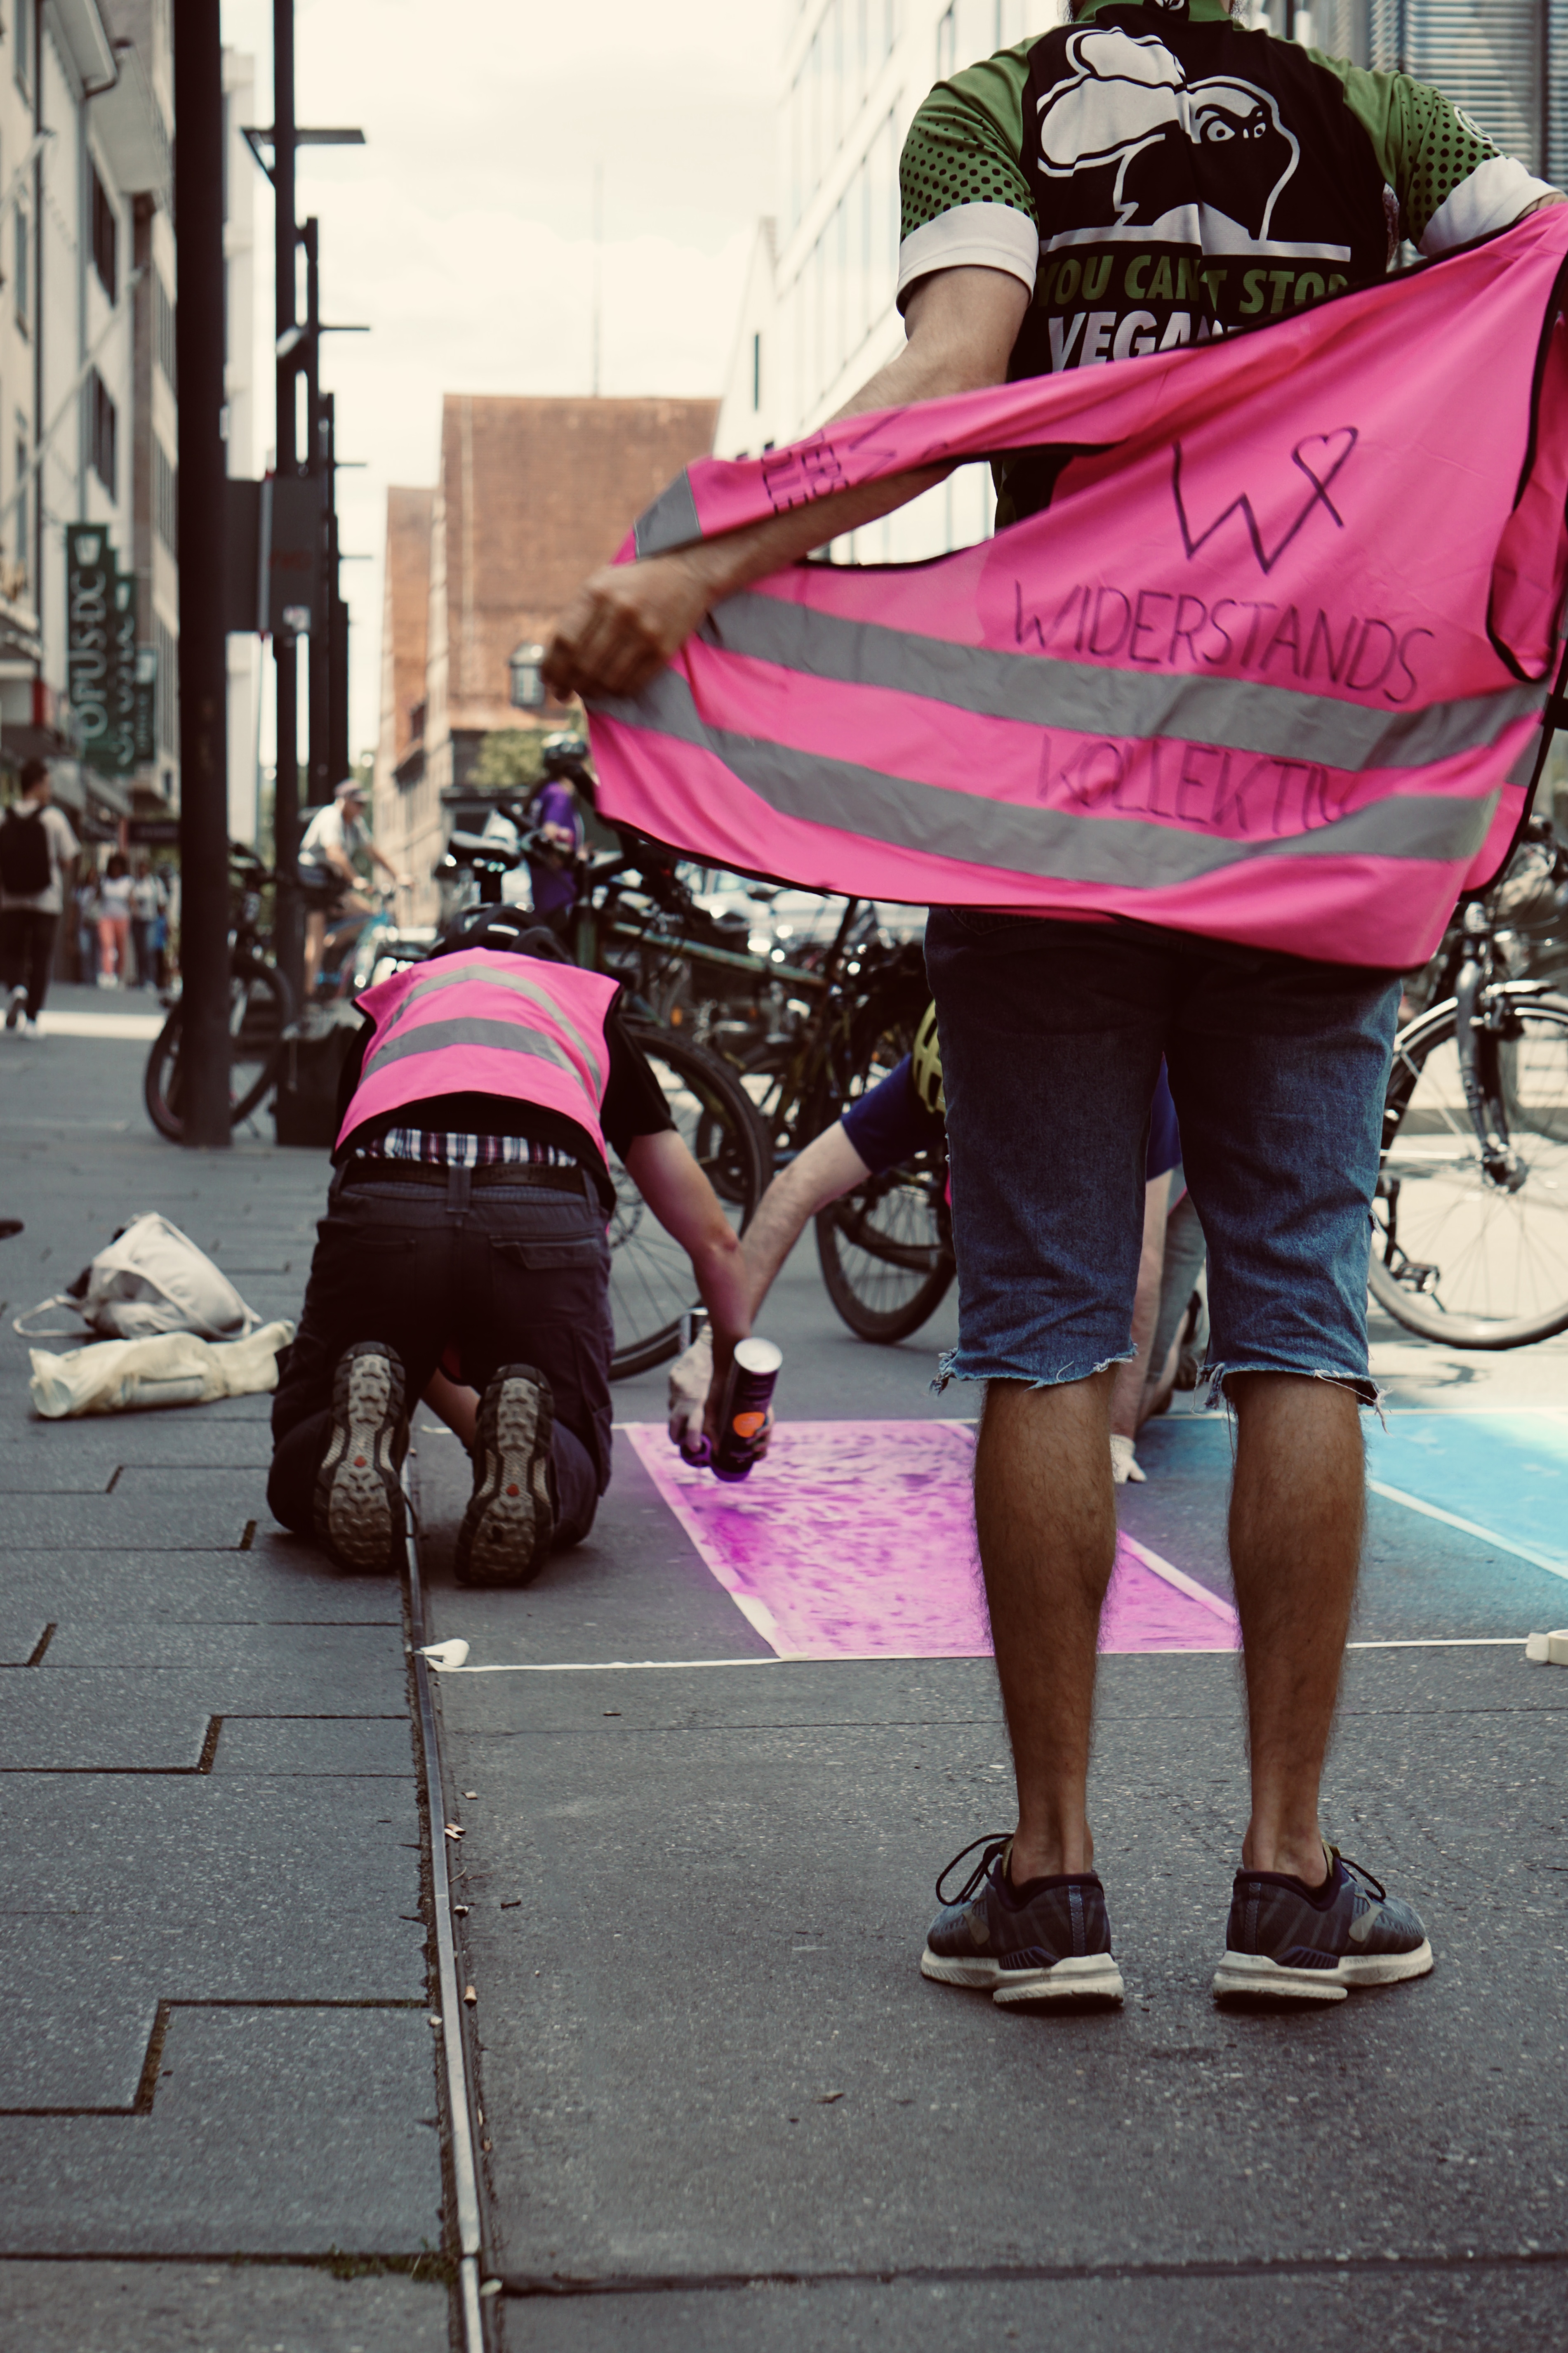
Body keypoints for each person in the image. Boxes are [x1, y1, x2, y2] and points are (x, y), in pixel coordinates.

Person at [545, 2, 1565, 2005]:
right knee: (1296, 1324)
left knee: (1037, 1330)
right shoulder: (1381, 124)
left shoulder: (993, 111)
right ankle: (1287, 1881)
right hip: (1311, 801)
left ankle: (1048, 1880)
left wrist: (707, 559)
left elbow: (948, 374)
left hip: (1052, 801)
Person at [268, 905, 751, 1584]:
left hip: (390, 1203)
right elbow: (715, 1238)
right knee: (574, 1452)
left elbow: (354, 1173)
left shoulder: (399, 1004)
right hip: (540, 1207)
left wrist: (412, 1338)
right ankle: (543, 1464)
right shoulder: (579, 1005)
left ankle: (341, 1446)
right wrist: (729, 1370)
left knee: (312, 1434)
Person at [667, 1029, 1185, 1486]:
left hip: (1174, 1180)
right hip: (1057, 1154)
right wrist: (714, 1347)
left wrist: (1117, 1438)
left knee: (1107, 1413)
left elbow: (1143, 1268)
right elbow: (798, 1187)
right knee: (1048, 1409)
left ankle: (1187, 1326)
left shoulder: (1128, 1072)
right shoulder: (941, 1060)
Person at [297, 778, 406, 994]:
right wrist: (356, 879)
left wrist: (398, 876)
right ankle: (309, 994)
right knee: (316, 935)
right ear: (344, 800)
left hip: (332, 882)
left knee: (370, 914)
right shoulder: (331, 817)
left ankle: (333, 943)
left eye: (363, 804)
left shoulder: (354, 824)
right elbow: (334, 853)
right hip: (315, 881)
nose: (361, 809)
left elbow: (372, 852)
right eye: (357, 803)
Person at [0, 761, 79, 1035]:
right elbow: (68, 859)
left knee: (9, 951)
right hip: (46, 900)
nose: (50, 791)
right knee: (41, 957)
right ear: (37, 785)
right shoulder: (53, 818)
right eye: (48, 785)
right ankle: (32, 1021)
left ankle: (16, 988)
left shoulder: (4, 817)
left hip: (9, 899)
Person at [129, 857, 167, 990]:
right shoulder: (135, 884)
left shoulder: (155, 884)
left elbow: (162, 903)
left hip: (151, 921)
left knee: (149, 950)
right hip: (137, 921)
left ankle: (151, 979)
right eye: (140, 868)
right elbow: (130, 899)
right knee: (139, 951)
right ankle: (141, 979)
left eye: (144, 868)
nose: (142, 871)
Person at [97, 852, 133, 988]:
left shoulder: (128, 882)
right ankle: (108, 973)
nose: (116, 869)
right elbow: (97, 898)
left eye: (118, 867)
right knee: (107, 944)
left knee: (120, 948)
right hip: (106, 917)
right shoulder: (104, 881)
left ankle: (119, 974)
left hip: (122, 918)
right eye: (114, 866)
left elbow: (132, 901)